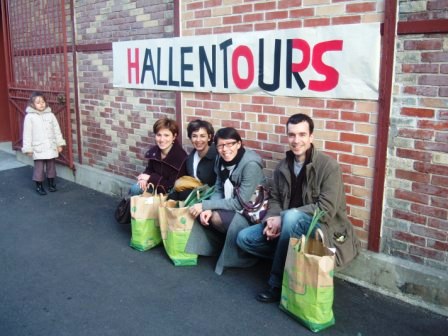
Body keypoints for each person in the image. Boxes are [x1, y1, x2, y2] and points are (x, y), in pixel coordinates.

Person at [237, 113, 360, 303]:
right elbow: (276, 199)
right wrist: (272, 219)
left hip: (319, 228)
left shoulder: (329, 167)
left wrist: (284, 217)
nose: (296, 140)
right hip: (288, 227)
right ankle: (292, 261)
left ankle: (276, 284)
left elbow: (325, 210)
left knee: (293, 217)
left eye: (302, 135)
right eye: (292, 135)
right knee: (245, 238)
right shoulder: (282, 167)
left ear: (311, 137)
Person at [187, 127, 265, 275]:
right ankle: (221, 246)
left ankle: (240, 252)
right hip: (231, 206)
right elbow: (218, 189)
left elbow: (239, 203)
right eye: (221, 145)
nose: (225, 149)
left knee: (214, 216)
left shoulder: (250, 165)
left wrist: (206, 205)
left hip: (250, 214)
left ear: (239, 144)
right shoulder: (220, 159)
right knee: (203, 212)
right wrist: (208, 208)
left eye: (230, 144)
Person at [22, 92, 66, 195]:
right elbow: (27, 134)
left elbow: (56, 130)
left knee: (51, 166)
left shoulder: (51, 115)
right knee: (39, 168)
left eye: (43, 102)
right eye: (38, 102)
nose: (41, 104)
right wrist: (28, 149)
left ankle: (51, 183)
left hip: (50, 146)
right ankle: (39, 186)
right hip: (38, 147)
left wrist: (59, 144)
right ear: (32, 104)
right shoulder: (29, 117)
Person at [130, 117, 187, 195]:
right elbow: (149, 169)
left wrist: (150, 178)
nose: (162, 139)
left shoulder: (180, 158)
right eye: (159, 135)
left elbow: (170, 187)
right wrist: (144, 179)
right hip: (153, 187)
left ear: (174, 136)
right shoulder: (155, 151)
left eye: (166, 135)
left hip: (169, 195)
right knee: (135, 189)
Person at [169, 119, 217, 200]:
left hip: (210, 197)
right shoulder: (190, 158)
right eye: (194, 136)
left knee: (182, 196)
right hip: (195, 193)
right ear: (190, 138)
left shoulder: (216, 156)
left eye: (202, 136)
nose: (198, 140)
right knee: (171, 198)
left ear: (209, 137)